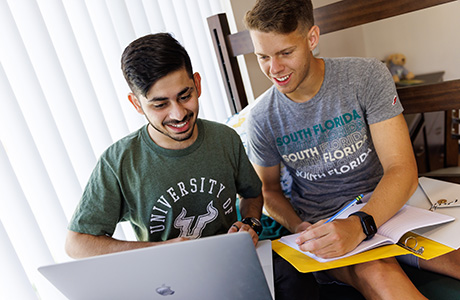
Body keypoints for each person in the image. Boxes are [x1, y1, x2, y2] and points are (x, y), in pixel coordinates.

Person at [243, 0, 460, 299]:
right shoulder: (261, 117)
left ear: (312, 38)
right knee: (378, 272)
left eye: (285, 53)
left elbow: (402, 168)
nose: (274, 69)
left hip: (391, 209)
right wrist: (298, 225)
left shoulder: (365, 76)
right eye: (262, 56)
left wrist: (361, 224)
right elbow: (268, 190)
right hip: (325, 227)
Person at [65, 33, 264, 258]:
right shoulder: (119, 162)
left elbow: (252, 194)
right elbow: (77, 244)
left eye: (185, 96)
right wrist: (159, 249)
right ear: (137, 104)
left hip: (232, 262)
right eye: (160, 104)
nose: (178, 114)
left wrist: (250, 223)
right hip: (167, 280)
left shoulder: (225, 139)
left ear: (197, 84)